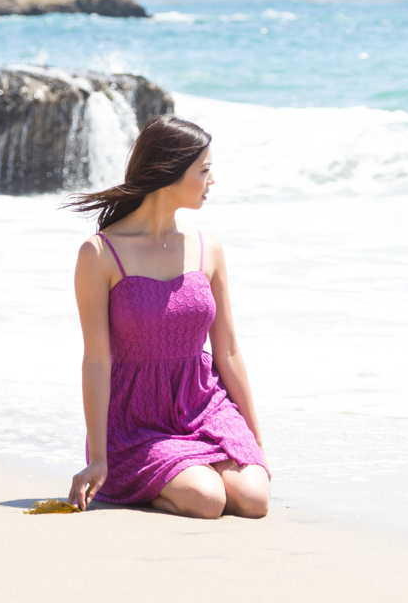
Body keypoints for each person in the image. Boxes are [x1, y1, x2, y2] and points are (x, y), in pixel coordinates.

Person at [61, 115, 271, 519]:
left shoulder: (208, 248)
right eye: (204, 171)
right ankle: (172, 476)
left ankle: (196, 467)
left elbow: (226, 351)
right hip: (135, 420)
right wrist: (99, 457)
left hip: (203, 405)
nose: (212, 181)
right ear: (169, 174)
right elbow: (97, 359)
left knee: (254, 498)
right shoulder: (100, 254)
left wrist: (256, 442)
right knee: (207, 501)